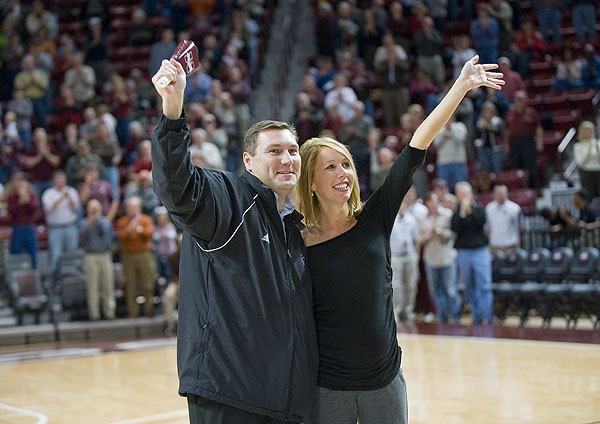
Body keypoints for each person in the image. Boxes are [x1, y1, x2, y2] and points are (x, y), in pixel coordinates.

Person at [295, 56, 503, 424]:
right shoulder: (295, 240)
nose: (344, 173)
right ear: (310, 182)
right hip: (327, 388)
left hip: (384, 384)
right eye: (330, 167)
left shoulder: (374, 217)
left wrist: (460, 87)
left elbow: (415, 148)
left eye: (346, 164)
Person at [150, 58, 318, 423]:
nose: (287, 159)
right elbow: (178, 188)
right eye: (274, 151)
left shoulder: (293, 225)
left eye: (292, 150)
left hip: (283, 400)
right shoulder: (228, 195)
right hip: (230, 397)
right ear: (249, 161)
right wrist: (173, 111)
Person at [451, 181, 494, 325]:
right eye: (460, 194)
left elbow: (479, 222)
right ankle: (476, 316)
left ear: (471, 195)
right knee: (469, 286)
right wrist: (462, 213)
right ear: (457, 196)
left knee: (484, 286)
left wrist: (468, 210)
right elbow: (455, 228)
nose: (463, 196)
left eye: (466, 193)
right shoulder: (456, 213)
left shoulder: (479, 209)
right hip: (463, 253)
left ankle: (487, 317)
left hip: (480, 251)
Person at [417, 191, 461, 323]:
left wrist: (441, 232)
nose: (434, 204)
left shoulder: (447, 215)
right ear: (427, 203)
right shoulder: (422, 219)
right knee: (436, 291)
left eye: (436, 201)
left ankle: (456, 317)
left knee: (451, 290)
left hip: (447, 257)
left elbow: (453, 234)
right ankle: (442, 318)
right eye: (430, 201)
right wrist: (429, 235)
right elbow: (419, 239)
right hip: (431, 259)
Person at [116, 196, 156, 318]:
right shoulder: (122, 222)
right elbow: (122, 237)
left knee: (147, 284)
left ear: (139, 208)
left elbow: (149, 234)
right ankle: (133, 312)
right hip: (128, 257)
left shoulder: (146, 220)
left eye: (133, 207)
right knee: (130, 285)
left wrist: (137, 229)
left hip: (144, 255)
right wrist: (130, 230)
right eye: (129, 208)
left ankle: (148, 310)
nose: (131, 210)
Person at [41, 170, 80, 284]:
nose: (61, 182)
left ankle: (72, 282)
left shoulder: (71, 191)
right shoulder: (48, 193)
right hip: (55, 228)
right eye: (58, 179)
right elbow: (49, 209)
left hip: (70, 227)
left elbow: (76, 208)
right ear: (54, 181)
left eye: (62, 179)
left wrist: (68, 197)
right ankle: (54, 283)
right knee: (56, 257)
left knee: (71, 255)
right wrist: (61, 198)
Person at [80, 198, 116, 321]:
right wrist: (91, 221)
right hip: (90, 256)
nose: (93, 210)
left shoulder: (104, 221)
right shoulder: (84, 223)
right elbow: (82, 236)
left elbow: (107, 233)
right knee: (92, 286)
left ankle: (109, 312)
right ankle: (94, 314)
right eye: (91, 207)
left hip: (104, 255)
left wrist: (99, 219)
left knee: (108, 285)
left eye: (96, 207)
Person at [485, 184, 522, 252]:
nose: (500, 195)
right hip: (494, 246)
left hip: (510, 246)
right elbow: (487, 227)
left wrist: (518, 243)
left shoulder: (515, 208)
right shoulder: (489, 208)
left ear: (507, 193)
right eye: (498, 193)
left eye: (502, 193)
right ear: (494, 194)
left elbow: (519, 227)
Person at [573, 120, 600, 199]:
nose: (589, 133)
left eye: (591, 130)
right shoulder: (578, 146)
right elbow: (580, 162)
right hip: (586, 172)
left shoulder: (598, 143)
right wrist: (589, 150)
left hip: (598, 170)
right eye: (587, 131)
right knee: (589, 196)